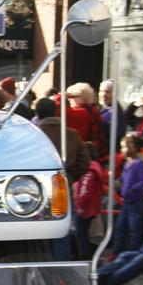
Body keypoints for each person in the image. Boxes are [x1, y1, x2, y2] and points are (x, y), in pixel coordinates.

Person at [34, 97, 89, 260]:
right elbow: (84, 162)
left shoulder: (33, 134)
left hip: (35, 190)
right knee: (61, 233)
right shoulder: (71, 134)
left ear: (37, 113)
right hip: (62, 188)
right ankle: (60, 273)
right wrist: (70, 177)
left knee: (35, 233)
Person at [112, 135, 143, 259]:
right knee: (120, 227)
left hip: (136, 201)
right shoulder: (127, 163)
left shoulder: (139, 163)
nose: (123, 150)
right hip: (126, 200)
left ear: (134, 147)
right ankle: (117, 252)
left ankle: (132, 254)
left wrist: (132, 188)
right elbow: (124, 179)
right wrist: (118, 183)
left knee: (135, 228)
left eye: (125, 147)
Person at [73, 142, 105, 259]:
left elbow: (86, 189)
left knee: (81, 234)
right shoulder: (95, 168)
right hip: (91, 207)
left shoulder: (89, 170)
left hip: (85, 208)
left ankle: (84, 256)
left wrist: (80, 205)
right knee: (84, 233)